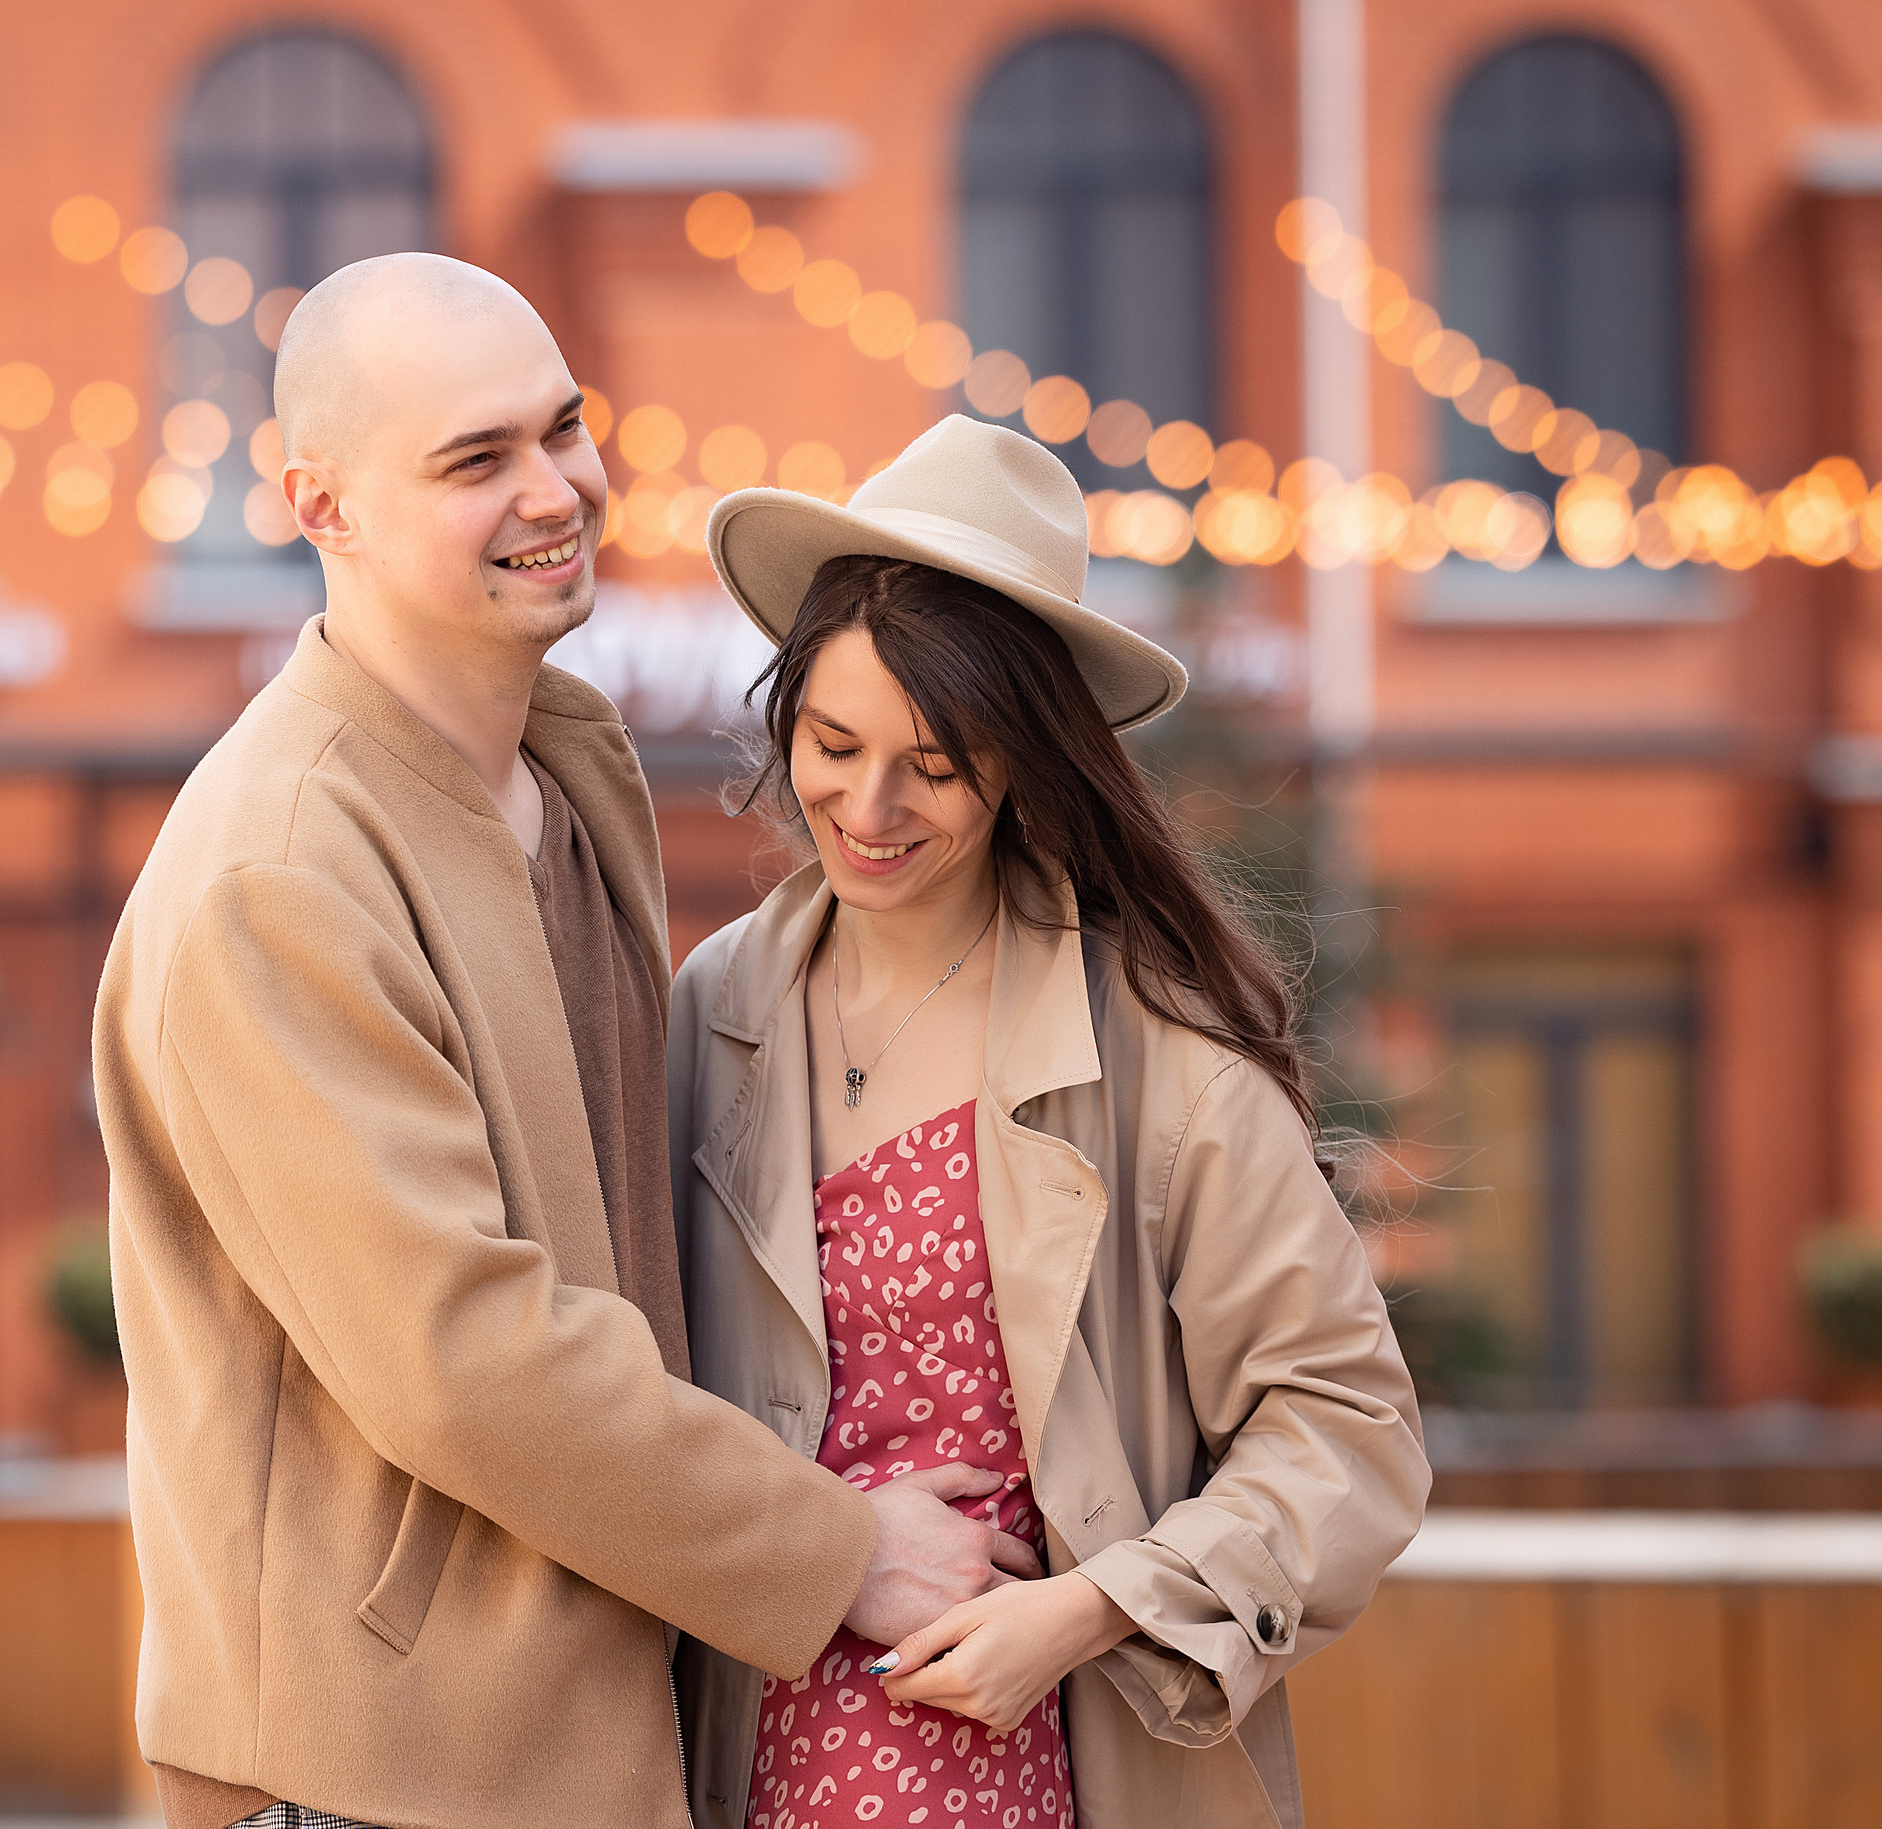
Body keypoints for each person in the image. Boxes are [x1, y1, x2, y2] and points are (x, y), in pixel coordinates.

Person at [93, 259, 1039, 1829]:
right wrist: (834, 1546)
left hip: (581, 1736)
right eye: (477, 460)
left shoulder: (563, 767)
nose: (555, 490)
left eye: (564, 428)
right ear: (318, 505)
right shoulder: (283, 871)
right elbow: (463, 1353)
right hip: (376, 1773)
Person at [670, 416, 1432, 1829]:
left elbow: (1350, 1424)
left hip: (1026, 1770)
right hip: (735, 1760)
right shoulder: (710, 1012)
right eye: (834, 742)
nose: (869, 806)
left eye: (937, 766)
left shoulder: (1156, 1045)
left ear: (1025, 762)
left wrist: (1089, 1608)